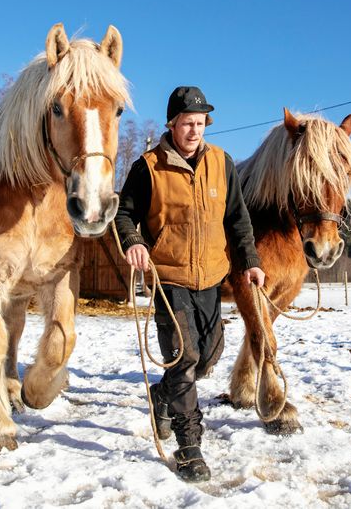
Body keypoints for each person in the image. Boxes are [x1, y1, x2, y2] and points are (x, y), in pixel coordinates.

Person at [114, 85, 265, 483]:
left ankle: (162, 395)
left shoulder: (221, 163)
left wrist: (250, 261)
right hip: (168, 278)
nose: (195, 131)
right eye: (187, 123)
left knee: (209, 354)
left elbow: (238, 219)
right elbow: (124, 215)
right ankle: (189, 444)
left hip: (211, 275)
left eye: (200, 123)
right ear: (172, 124)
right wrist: (133, 242)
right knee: (183, 358)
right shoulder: (147, 167)